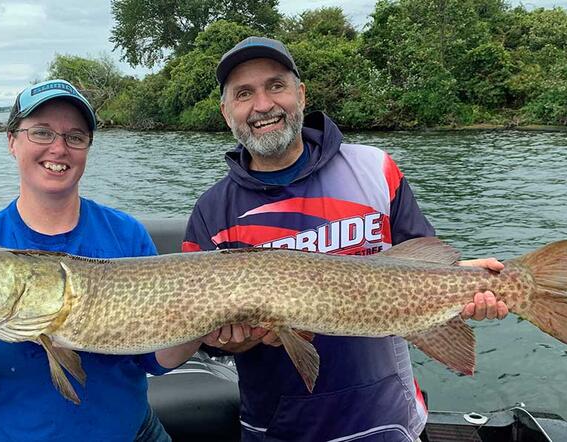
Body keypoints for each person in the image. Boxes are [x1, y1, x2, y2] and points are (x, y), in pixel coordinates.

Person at [183, 37, 509, 442]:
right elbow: (204, 335)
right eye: (244, 93)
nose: (263, 105)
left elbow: (423, 266)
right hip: (277, 427)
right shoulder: (210, 210)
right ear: (226, 111)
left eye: (276, 86)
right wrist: (228, 342)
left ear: (300, 93)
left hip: (385, 417)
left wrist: (466, 286)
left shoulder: (375, 168)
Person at [0, 79, 221, 442]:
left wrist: (203, 325)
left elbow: (153, 360)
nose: (58, 148)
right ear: (12, 141)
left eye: (75, 136)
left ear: (86, 148)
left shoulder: (126, 235)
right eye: (41, 132)